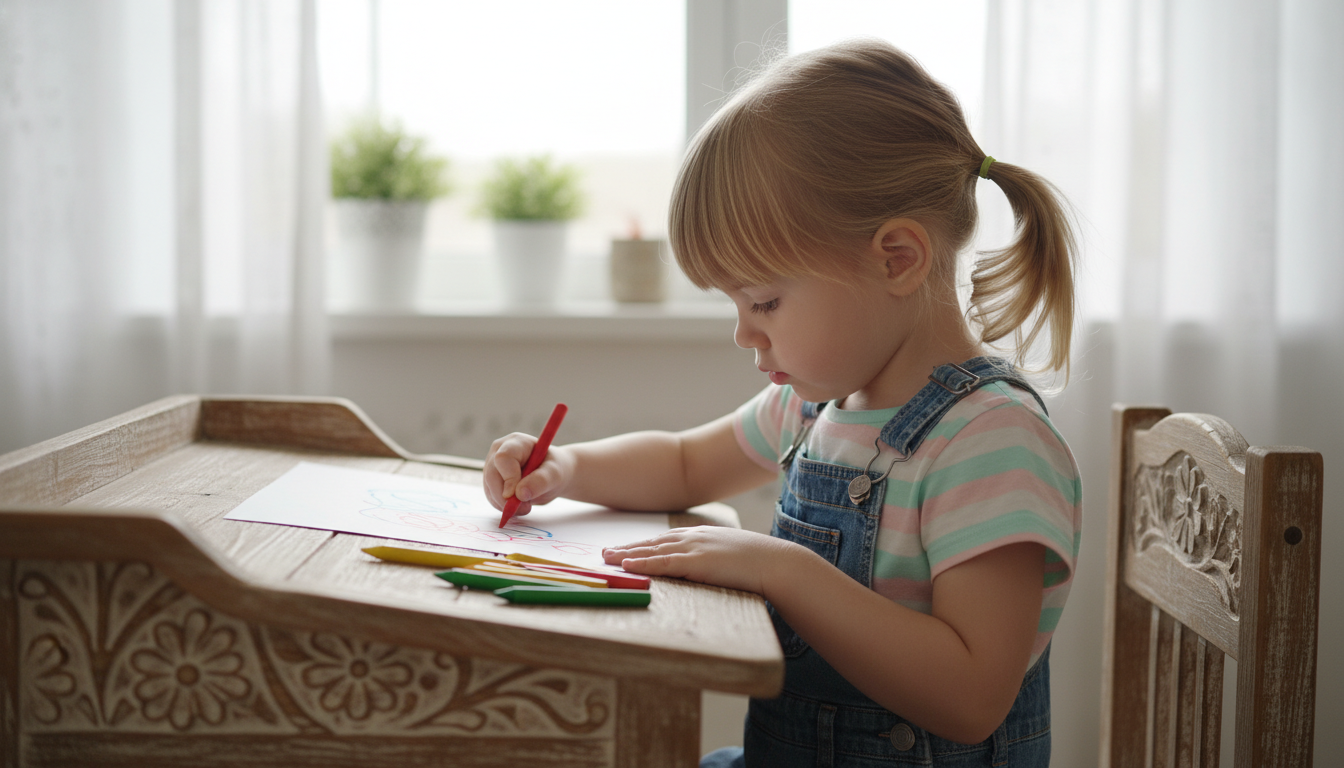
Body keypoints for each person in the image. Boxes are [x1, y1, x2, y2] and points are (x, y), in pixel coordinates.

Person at [483, 38, 1081, 768]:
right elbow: (683, 464)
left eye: (764, 301)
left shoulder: (991, 441)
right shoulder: (819, 408)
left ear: (896, 259)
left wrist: (784, 570)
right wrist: (566, 469)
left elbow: (972, 697)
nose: (744, 333)